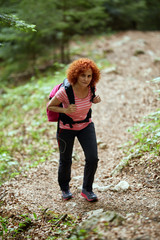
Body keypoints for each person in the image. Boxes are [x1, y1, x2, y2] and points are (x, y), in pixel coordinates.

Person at [47, 58, 101, 202]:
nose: (86, 79)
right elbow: (50, 106)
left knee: (92, 158)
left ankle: (87, 189)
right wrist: (65, 110)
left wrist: (95, 100)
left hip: (85, 126)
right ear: (76, 75)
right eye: (83, 75)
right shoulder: (65, 91)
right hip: (66, 129)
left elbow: (90, 100)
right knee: (66, 160)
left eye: (89, 76)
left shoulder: (92, 88)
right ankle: (65, 188)